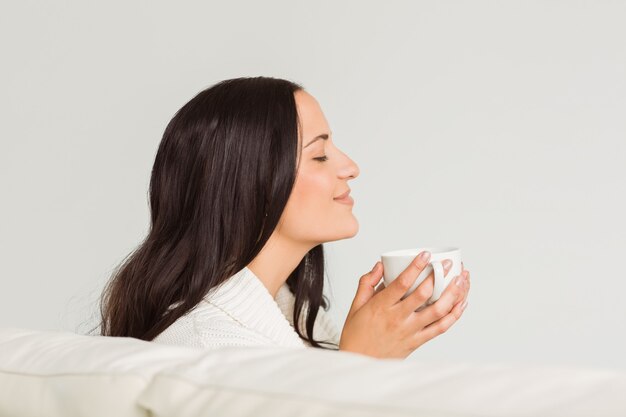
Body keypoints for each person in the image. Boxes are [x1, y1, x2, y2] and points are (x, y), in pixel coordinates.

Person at [97, 76, 471, 359]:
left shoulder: (294, 320)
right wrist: (361, 364)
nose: (351, 168)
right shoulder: (206, 348)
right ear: (250, 184)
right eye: (320, 155)